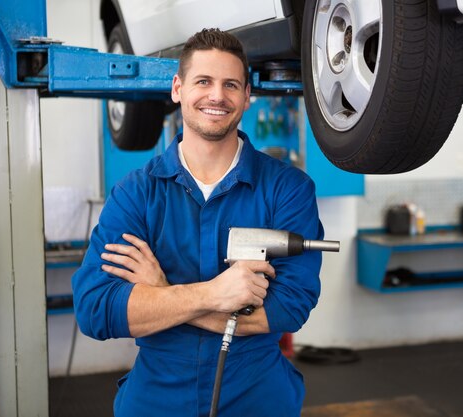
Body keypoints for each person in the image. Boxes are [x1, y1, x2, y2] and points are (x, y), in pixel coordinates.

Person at [71, 28, 325, 417]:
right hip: (157, 398)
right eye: (203, 81)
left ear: (246, 97)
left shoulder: (287, 189)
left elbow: (289, 308)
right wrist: (211, 294)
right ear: (177, 89)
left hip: (258, 397)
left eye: (231, 85)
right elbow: (95, 309)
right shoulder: (137, 194)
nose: (217, 96)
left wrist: (161, 292)